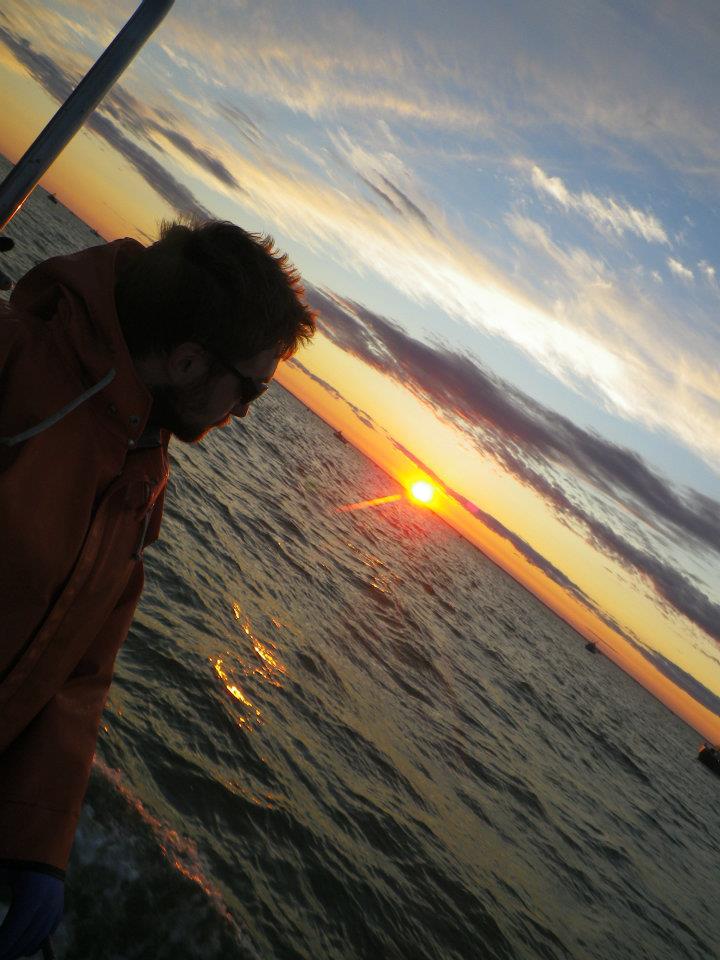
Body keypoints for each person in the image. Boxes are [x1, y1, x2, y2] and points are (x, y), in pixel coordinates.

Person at [0, 219, 316, 958]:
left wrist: (39, 842)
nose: (241, 416)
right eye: (250, 393)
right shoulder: (15, 370)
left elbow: (81, 669)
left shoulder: (139, 475)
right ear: (186, 359)